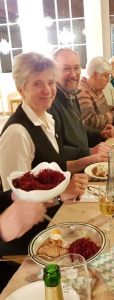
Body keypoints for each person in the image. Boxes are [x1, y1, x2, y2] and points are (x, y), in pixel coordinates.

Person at [0, 52, 88, 255]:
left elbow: (55, 166)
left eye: (50, 82)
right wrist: (60, 195)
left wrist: (68, 185)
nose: (47, 90)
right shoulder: (17, 133)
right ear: (21, 89)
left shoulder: (48, 119)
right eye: (37, 84)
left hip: (56, 216)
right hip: (34, 237)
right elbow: (18, 202)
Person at [48, 48, 114, 161]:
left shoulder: (71, 96)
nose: (73, 74)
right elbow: (53, 150)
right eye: (66, 69)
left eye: (76, 68)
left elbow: (80, 133)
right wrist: (89, 152)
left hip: (84, 162)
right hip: (72, 172)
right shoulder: (49, 103)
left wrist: (100, 135)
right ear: (53, 72)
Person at [78, 56, 114, 131]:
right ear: (95, 75)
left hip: (107, 134)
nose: (109, 80)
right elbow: (90, 122)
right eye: (106, 76)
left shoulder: (97, 88)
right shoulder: (82, 92)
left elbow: (108, 109)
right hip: (98, 140)